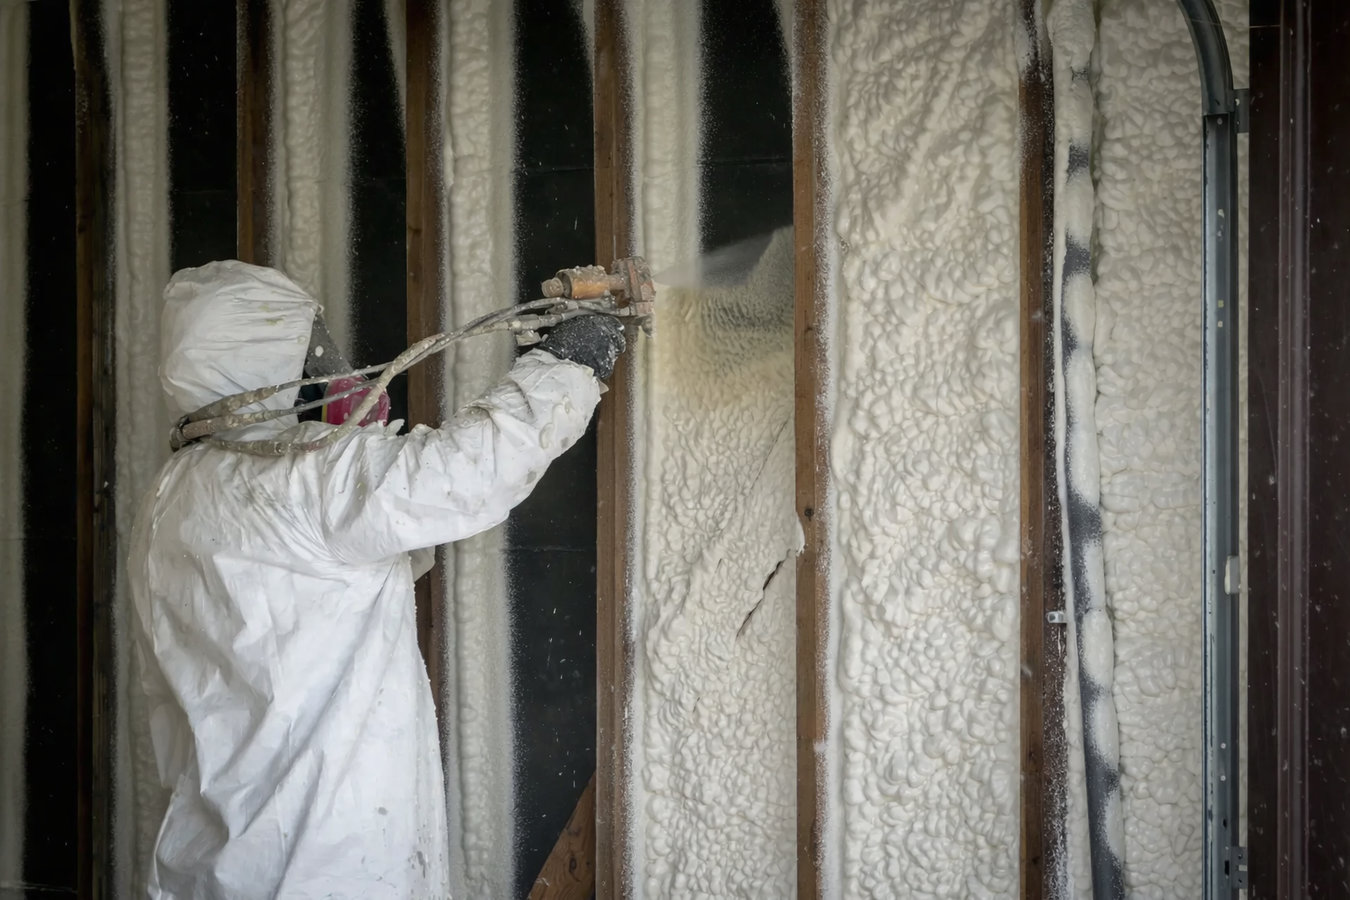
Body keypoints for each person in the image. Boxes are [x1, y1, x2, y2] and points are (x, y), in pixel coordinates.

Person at [128, 260, 627, 898]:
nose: (332, 371)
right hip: (324, 865)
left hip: (210, 863)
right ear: (262, 359)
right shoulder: (303, 478)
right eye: (310, 351)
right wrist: (573, 358)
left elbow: (354, 566)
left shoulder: (171, 494)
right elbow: (467, 472)